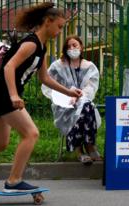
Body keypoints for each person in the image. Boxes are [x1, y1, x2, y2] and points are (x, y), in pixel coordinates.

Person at [0, 2, 81, 192]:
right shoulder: (31, 43)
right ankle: (14, 181)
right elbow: (9, 67)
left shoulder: (42, 47)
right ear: (48, 22)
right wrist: (14, 95)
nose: (60, 31)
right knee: (31, 133)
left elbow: (44, 78)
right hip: (3, 95)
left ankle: (14, 180)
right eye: (60, 26)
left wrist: (68, 91)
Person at [42, 35, 101, 165]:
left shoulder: (89, 66)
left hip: (84, 101)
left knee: (85, 106)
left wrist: (79, 96)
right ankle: (88, 146)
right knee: (84, 109)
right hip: (64, 105)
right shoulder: (58, 66)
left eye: (75, 45)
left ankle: (81, 149)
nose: (72, 48)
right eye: (69, 46)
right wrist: (65, 96)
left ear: (81, 47)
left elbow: (91, 86)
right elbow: (48, 84)